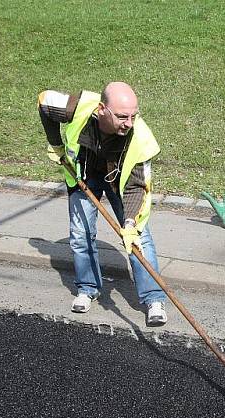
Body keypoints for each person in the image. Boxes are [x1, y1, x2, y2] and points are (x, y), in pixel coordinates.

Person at [38, 82, 168, 326]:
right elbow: (44, 101)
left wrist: (130, 224)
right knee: (80, 234)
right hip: (84, 175)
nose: (129, 123)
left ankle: (154, 298)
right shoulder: (78, 109)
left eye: (133, 115)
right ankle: (88, 288)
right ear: (101, 110)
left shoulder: (141, 139)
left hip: (121, 181)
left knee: (139, 238)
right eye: (121, 116)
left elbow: (137, 188)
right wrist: (55, 143)